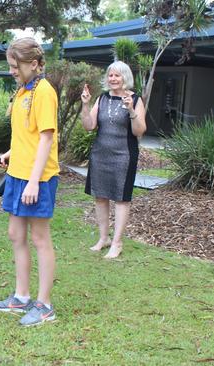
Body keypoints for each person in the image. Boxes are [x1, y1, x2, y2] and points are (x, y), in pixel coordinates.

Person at [0, 37, 60, 327]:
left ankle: (44, 305)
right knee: (15, 235)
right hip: (18, 172)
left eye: (14, 66)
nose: (11, 71)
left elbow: (46, 138)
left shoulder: (44, 91)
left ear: (33, 64)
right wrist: (11, 152)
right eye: (9, 66)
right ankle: (21, 297)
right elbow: (27, 135)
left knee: (39, 238)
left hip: (38, 178)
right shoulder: (23, 90)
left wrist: (33, 182)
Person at [80, 61, 147, 259]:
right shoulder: (102, 98)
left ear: (125, 77)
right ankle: (103, 238)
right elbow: (89, 126)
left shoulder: (135, 99)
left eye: (117, 75)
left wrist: (131, 111)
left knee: (120, 198)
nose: (113, 79)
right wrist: (85, 105)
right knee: (100, 196)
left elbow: (140, 131)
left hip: (124, 155)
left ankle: (117, 243)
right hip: (100, 154)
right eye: (110, 75)